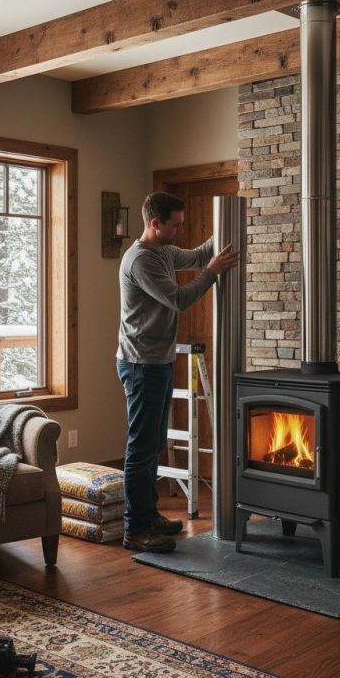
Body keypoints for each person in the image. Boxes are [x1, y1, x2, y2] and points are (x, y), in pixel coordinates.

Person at [117, 192, 239, 553]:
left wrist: (232, 224)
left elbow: (201, 254)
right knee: (141, 448)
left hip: (158, 361)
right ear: (155, 224)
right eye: (176, 224)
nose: (180, 230)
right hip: (141, 364)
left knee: (152, 444)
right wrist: (213, 273)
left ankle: (149, 516)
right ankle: (134, 529)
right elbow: (180, 299)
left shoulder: (165, 252)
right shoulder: (140, 261)